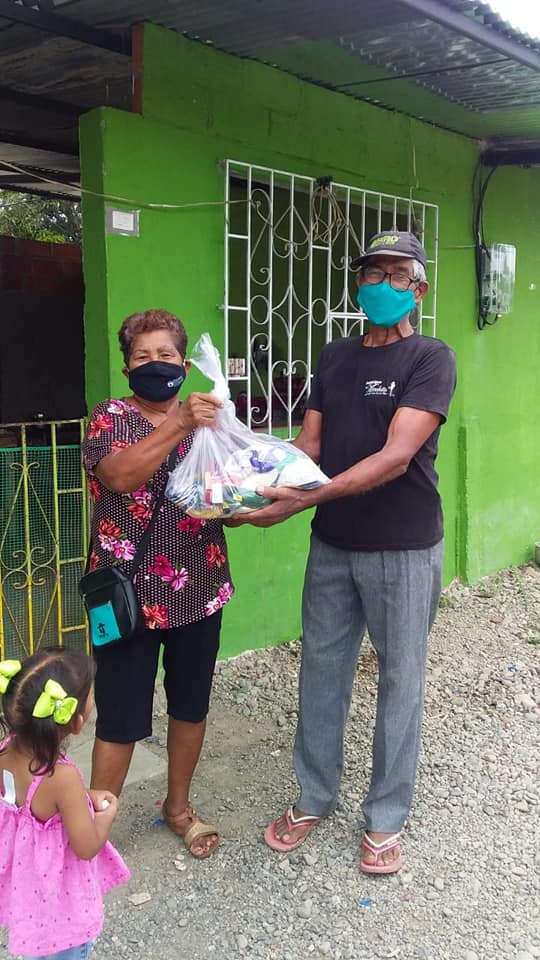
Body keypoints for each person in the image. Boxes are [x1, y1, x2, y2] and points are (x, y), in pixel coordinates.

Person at [232, 231, 457, 874]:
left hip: (404, 545)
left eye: (396, 274)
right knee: (322, 668)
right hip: (333, 544)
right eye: (371, 273)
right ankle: (313, 796)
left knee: (400, 676)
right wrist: (243, 475)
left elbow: (397, 455)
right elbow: (308, 445)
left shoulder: (430, 357)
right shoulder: (333, 356)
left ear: (418, 288)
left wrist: (306, 499)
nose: (380, 284)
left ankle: (386, 815)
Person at [82, 308, 233, 859]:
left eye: (165, 354)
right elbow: (120, 476)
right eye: (142, 356)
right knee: (119, 716)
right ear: (127, 368)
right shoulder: (110, 417)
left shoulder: (210, 421)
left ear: (184, 364)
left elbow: (225, 494)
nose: (155, 364)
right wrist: (179, 424)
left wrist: (258, 501)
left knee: (190, 705)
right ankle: (94, 829)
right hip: (126, 596)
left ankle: (178, 807)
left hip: (200, 588)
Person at [0, 649, 129, 960]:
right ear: (76, 721)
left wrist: (84, 795)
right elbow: (86, 847)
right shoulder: (63, 777)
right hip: (62, 909)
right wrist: (106, 814)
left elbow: (31, 801)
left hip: (29, 893)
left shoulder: (6, 750)